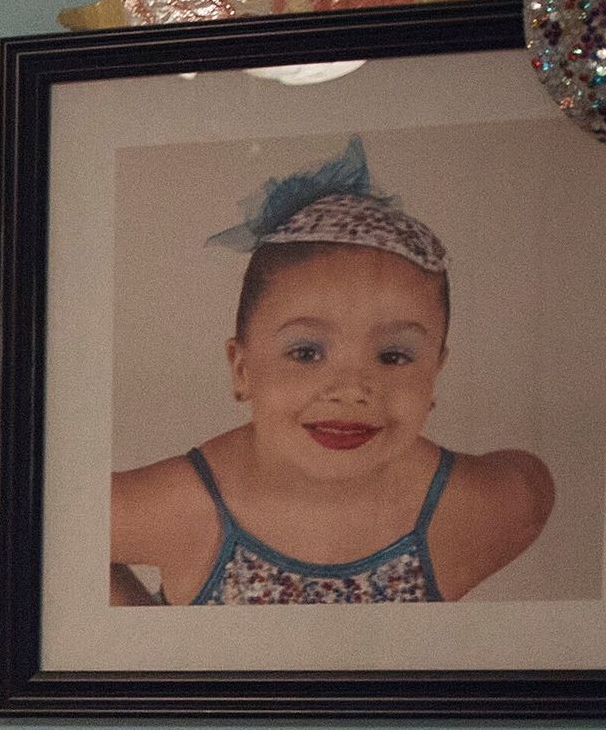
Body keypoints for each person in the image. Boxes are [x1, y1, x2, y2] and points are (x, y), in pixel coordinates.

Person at [109, 140, 554, 606]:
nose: (351, 390)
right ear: (242, 370)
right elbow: (43, 531)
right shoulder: (184, 508)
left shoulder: (481, 508)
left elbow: (531, 489)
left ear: (434, 375)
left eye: (394, 356)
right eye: (306, 353)